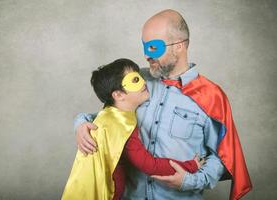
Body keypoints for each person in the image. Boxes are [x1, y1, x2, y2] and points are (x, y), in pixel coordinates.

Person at [74, 9, 252, 200]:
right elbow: (112, 118)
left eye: (153, 48)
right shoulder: (136, 81)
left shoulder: (211, 96)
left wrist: (189, 181)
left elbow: (222, 157)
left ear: (179, 46)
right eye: (144, 47)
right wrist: (80, 124)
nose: (146, 55)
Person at [62, 58, 204, 200]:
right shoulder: (122, 125)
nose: (144, 82)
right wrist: (191, 165)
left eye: (140, 77)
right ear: (118, 95)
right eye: (135, 80)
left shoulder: (109, 114)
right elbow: (149, 165)